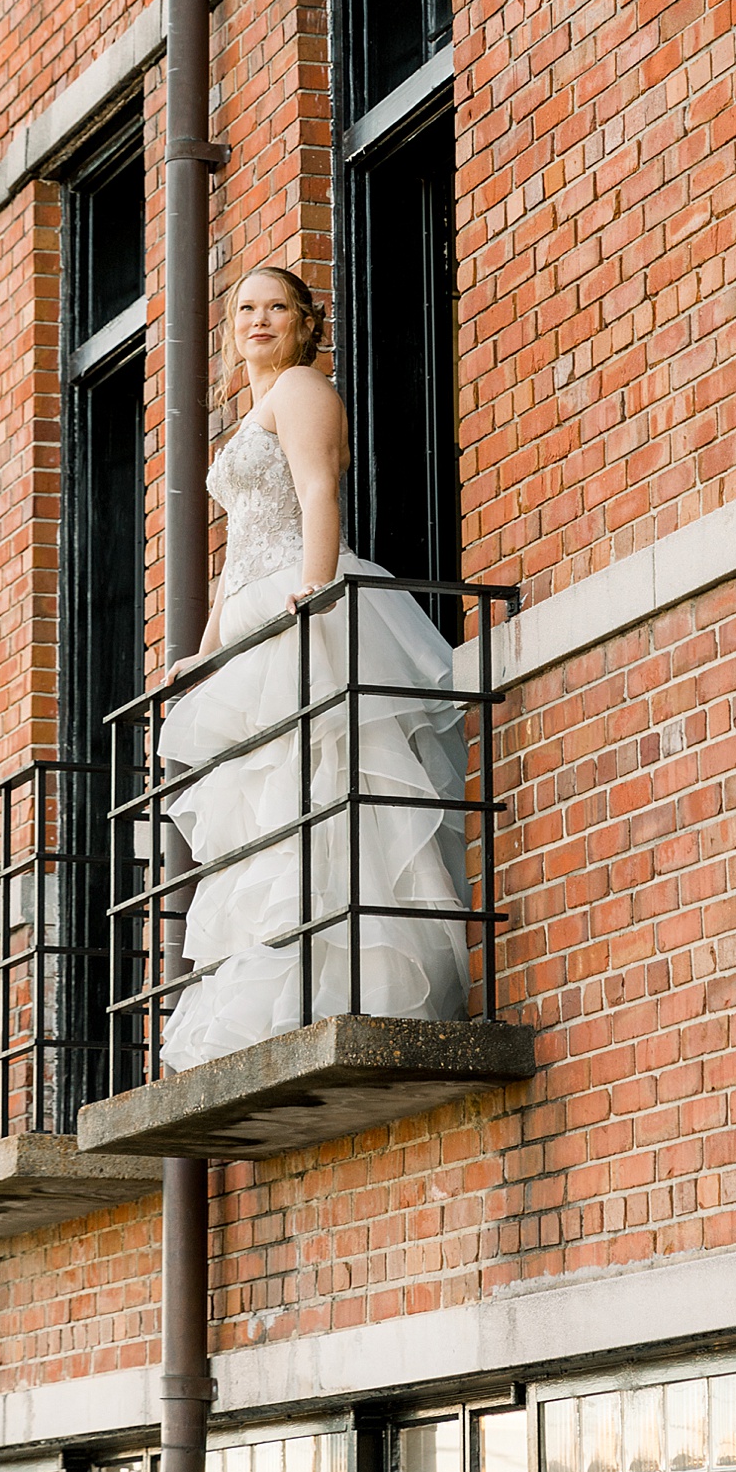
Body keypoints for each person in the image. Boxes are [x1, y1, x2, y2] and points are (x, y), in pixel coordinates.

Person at [156, 264, 472, 1070]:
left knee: (326, 782)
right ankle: (285, 990)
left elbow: (318, 490)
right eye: (245, 308)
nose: (258, 319)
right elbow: (237, 548)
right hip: (255, 614)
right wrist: (207, 646)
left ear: (305, 322)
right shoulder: (255, 406)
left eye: (277, 307)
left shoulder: (301, 389)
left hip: (300, 599)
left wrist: (316, 586)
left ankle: (353, 982)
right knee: (272, 806)